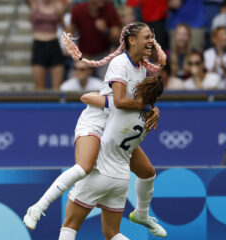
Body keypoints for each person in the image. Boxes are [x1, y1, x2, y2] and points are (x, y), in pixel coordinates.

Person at [24, 22, 167, 238]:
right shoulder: (120, 63)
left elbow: (137, 99)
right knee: (85, 166)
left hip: (115, 126)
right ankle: (38, 207)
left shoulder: (142, 69)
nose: (151, 41)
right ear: (132, 40)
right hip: (96, 122)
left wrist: (152, 108)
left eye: (152, 36)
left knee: (147, 172)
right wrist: (146, 107)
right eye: (147, 37)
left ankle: (142, 214)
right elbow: (119, 101)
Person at [59, 75, 164, 240]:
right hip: (121, 177)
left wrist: (110, 97)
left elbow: (85, 97)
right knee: (112, 233)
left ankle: (38, 207)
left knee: (69, 226)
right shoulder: (149, 114)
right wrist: (151, 108)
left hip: (101, 170)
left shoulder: (119, 104)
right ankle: (142, 213)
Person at [68, 0, 122, 79]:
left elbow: (117, 38)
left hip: (103, 55)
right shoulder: (78, 9)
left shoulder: (110, 10)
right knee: (73, 81)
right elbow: (69, 33)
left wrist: (105, 30)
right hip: (84, 54)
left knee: (109, 81)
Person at [26, 0, 66, 90]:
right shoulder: (34, 4)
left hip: (54, 44)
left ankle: (57, 104)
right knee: (40, 88)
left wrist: (66, 46)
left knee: (57, 88)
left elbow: (64, 28)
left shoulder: (58, 6)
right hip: (39, 45)